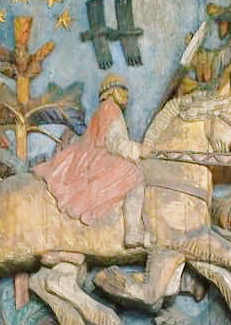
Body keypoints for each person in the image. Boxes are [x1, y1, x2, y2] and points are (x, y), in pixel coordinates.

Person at [32, 73, 150, 247]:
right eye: (122, 90)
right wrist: (138, 150)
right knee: (135, 177)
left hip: (91, 156)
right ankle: (133, 232)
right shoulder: (110, 109)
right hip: (100, 157)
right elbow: (113, 141)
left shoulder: (102, 110)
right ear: (111, 91)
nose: (126, 96)